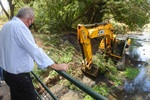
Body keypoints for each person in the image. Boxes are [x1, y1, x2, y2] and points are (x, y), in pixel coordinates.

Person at [0, 7, 68, 100]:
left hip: (7, 74)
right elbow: (35, 50)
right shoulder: (20, 27)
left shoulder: (6, 26)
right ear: (29, 19)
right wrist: (56, 66)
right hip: (19, 77)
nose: (31, 25)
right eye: (32, 22)